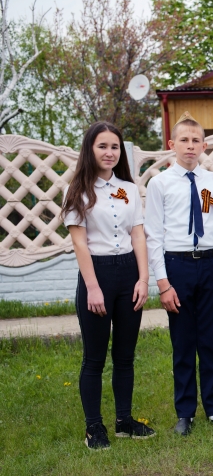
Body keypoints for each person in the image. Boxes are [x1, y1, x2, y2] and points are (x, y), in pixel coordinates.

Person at [62, 122, 155, 449]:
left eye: (114, 147)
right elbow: (80, 243)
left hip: (128, 273)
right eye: (102, 146)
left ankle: (124, 421)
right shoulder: (78, 191)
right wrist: (93, 287)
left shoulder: (129, 189)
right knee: (95, 358)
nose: (109, 152)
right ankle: (94, 428)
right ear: (90, 149)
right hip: (97, 274)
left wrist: (143, 279)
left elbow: (138, 235)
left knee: (125, 355)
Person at [144, 112, 213, 435]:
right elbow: (153, 236)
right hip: (178, 266)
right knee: (183, 343)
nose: (190, 146)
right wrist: (163, 283)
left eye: (196, 140)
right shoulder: (159, 184)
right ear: (171, 144)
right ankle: (185, 412)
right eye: (183, 140)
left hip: (210, 265)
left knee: (210, 342)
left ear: (204, 146)